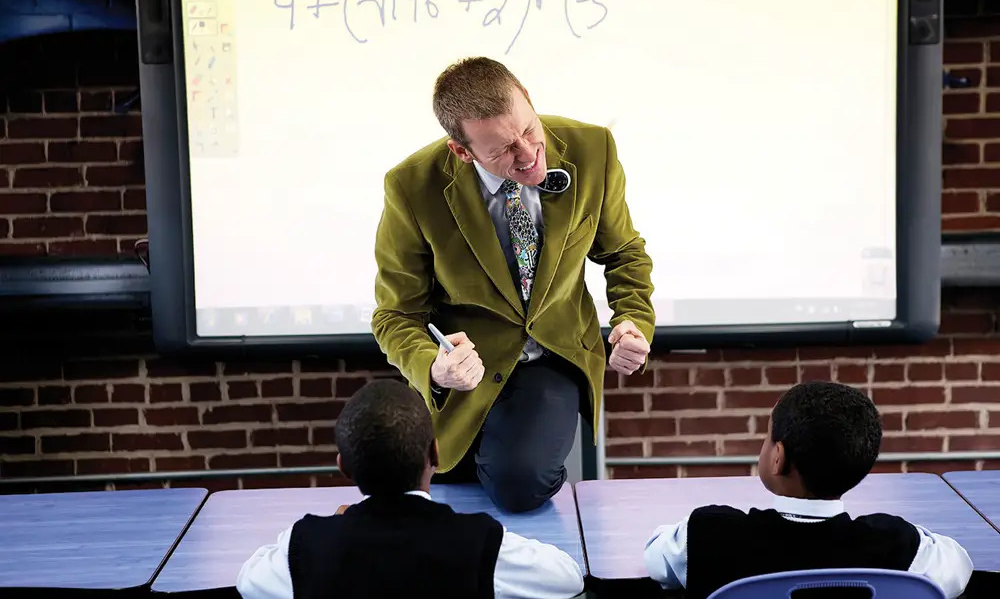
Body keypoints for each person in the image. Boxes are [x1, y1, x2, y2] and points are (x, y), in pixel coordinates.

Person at [371, 56, 655, 512]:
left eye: (528, 130)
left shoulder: (593, 148)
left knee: (517, 483)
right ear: (462, 152)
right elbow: (396, 314)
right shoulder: (410, 186)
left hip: (550, 353)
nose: (527, 154)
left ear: (528, 99)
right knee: (441, 483)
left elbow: (624, 255)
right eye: (503, 150)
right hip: (464, 368)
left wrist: (632, 320)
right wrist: (433, 368)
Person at [236, 379, 585, 599]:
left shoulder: (303, 547)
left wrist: (333, 523)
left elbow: (247, 580)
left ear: (343, 467)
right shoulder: (481, 542)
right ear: (435, 453)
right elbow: (568, 578)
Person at [643, 381, 974, 599]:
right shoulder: (897, 545)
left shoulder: (710, 534)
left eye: (767, 435)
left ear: (778, 457)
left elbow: (656, 555)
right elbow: (958, 564)